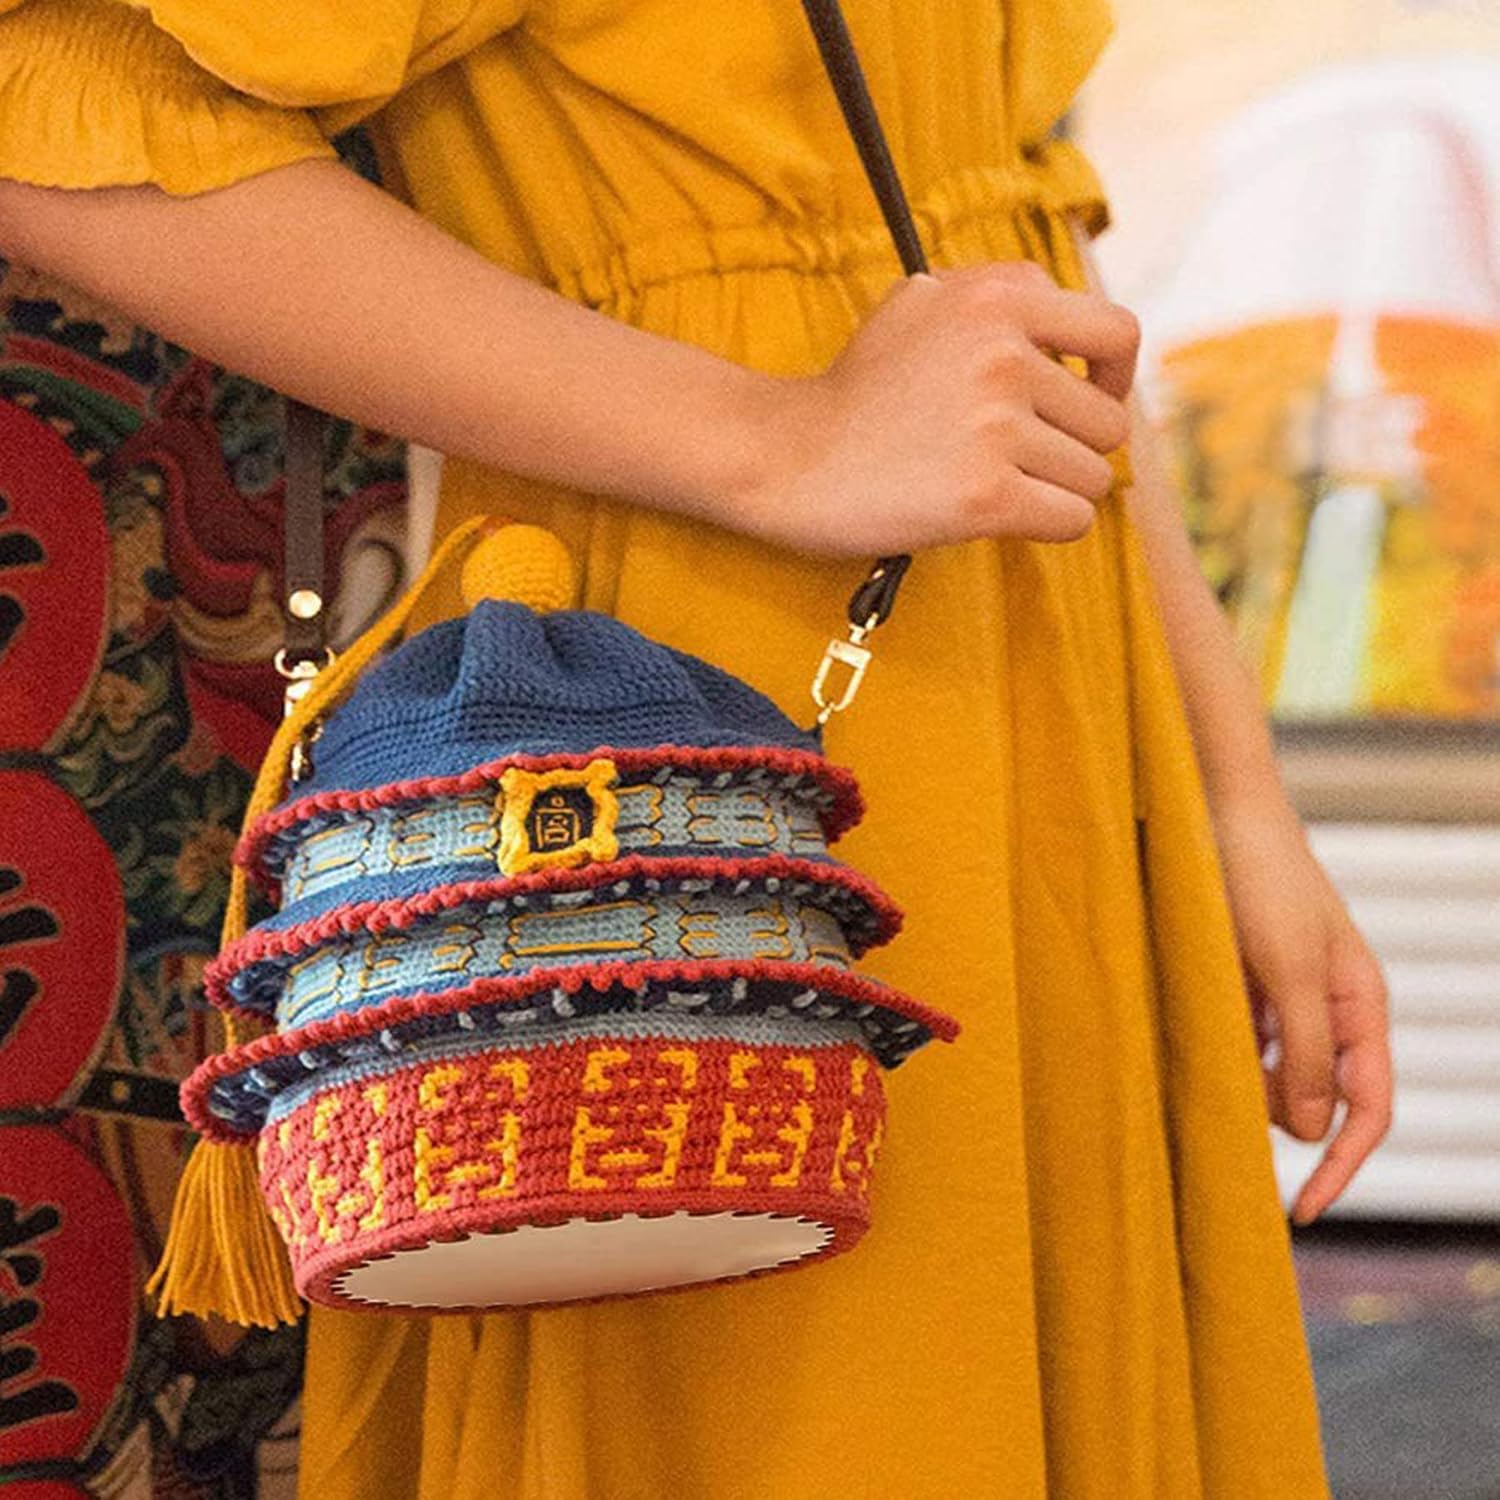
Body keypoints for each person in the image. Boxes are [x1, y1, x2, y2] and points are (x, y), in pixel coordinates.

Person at [0, 0, 1393, 1495]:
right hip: (703, 686)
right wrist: (772, 436)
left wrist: (1237, 794)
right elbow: (57, 110)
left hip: (1042, 651)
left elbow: (1020, 246)